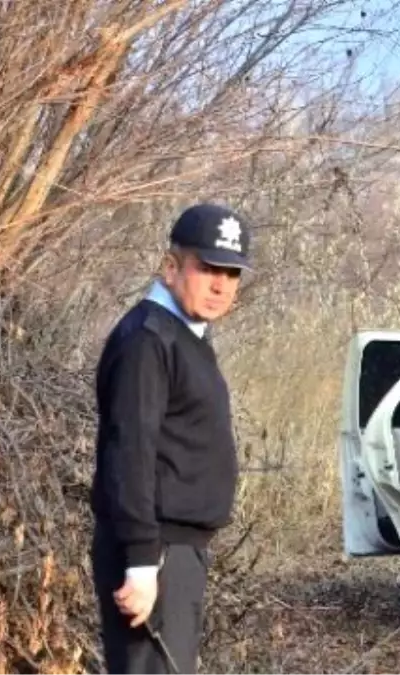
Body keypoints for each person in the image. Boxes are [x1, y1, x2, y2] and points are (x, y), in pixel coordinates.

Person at [91, 203, 251, 674]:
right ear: (171, 266)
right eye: (206, 268)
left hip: (177, 552)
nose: (220, 284)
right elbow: (130, 451)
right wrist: (142, 562)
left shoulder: (184, 336)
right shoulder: (148, 340)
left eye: (231, 273)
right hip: (156, 551)